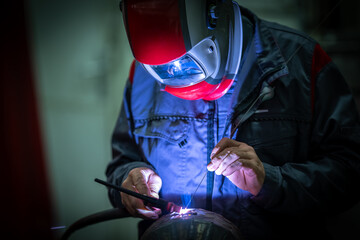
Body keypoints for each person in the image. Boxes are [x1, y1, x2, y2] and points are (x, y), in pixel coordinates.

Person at [106, 0, 360, 239]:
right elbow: (122, 163)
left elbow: (350, 172)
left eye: (188, 63)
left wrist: (270, 181)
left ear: (214, 13)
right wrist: (129, 179)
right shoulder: (143, 74)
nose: (177, 75)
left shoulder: (304, 60)